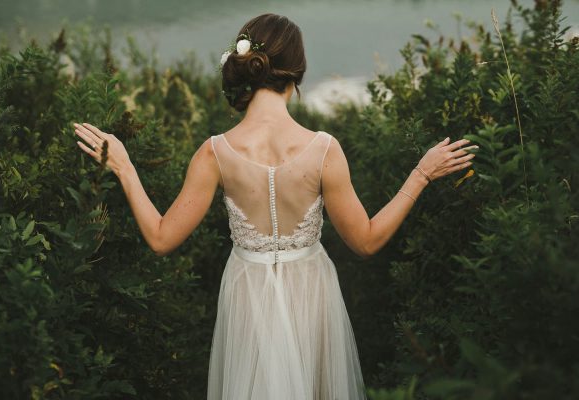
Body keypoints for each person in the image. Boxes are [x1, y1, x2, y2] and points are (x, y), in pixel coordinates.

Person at [74, 13, 477, 400]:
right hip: (313, 295)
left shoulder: (214, 152)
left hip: (247, 295)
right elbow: (366, 241)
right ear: (297, 75)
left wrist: (125, 168)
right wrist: (420, 174)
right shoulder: (324, 150)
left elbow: (162, 239)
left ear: (246, 68)